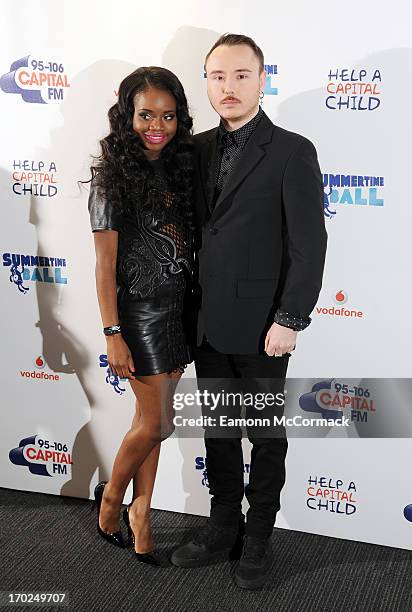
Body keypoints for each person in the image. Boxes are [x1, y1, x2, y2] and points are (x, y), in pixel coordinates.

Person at [171, 34, 327, 589]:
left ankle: (258, 532)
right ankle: (222, 523)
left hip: (264, 327)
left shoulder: (291, 150)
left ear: (263, 80)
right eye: (217, 76)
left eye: (241, 75)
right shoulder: (194, 149)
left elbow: (309, 245)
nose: (228, 87)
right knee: (218, 430)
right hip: (207, 322)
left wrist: (291, 318)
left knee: (263, 433)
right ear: (206, 82)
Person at [87, 66, 194, 565]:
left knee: (147, 422)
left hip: (182, 312)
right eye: (146, 114)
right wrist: (113, 333)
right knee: (158, 425)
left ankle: (142, 513)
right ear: (127, 114)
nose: (158, 125)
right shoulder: (111, 179)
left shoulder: (182, 168)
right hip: (141, 317)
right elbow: (105, 266)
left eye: (168, 115)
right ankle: (111, 499)